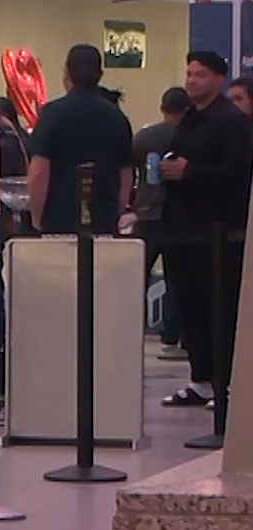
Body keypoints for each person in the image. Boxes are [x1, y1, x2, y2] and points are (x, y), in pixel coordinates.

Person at [159, 51, 253, 409]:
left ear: (217, 78)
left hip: (216, 234)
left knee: (218, 308)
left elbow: (236, 174)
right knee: (190, 307)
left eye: (199, 74)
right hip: (182, 231)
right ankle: (201, 380)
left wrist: (190, 173)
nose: (192, 80)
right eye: (189, 73)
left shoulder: (231, 123)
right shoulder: (190, 120)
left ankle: (225, 382)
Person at [27, 44, 133, 234]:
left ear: (67, 73)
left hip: (59, 221)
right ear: (99, 74)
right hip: (103, 221)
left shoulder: (51, 114)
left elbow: (39, 172)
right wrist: (115, 213)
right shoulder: (117, 118)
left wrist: (36, 219)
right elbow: (125, 174)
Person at [123, 86, 189, 356]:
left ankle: (128, 333)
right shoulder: (188, 137)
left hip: (145, 214)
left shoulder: (144, 137)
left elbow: (128, 173)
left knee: (136, 277)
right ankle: (172, 337)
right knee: (178, 280)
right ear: (187, 109)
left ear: (163, 108)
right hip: (178, 217)